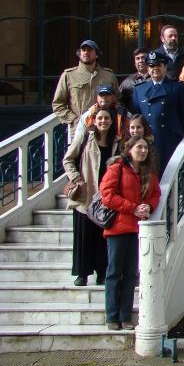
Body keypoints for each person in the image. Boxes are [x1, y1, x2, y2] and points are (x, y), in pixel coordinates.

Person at [100, 137, 161, 331]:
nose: (142, 151)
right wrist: (133, 208)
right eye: (139, 147)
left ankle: (125, 316)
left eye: (145, 147)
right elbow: (107, 195)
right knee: (114, 273)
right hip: (118, 227)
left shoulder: (149, 174)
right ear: (129, 149)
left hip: (137, 228)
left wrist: (148, 207)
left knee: (130, 274)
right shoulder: (117, 168)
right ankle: (112, 316)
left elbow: (155, 194)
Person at [62, 108, 120, 287]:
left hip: (106, 196)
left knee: (102, 236)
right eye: (100, 118)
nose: (103, 121)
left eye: (107, 118)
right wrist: (76, 178)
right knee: (83, 236)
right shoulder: (85, 138)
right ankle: (82, 273)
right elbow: (67, 160)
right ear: (94, 121)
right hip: (87, 195)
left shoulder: (117, 142)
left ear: (112, 121)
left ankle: (102, 272)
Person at [130, 51, 184, 175]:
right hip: (147, 143)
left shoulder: (177, 88)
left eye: (159, 65)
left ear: (165, 67)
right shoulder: (139, 90)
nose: (155, 69)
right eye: (152, 66)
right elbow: (136, 115)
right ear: (147, 68)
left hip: (169, 141)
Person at [52, 39, 118, 142]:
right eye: (83, 50)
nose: (86, 53)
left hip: (105, 129)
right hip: (80, 130)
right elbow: (58, 104)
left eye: (90, 50)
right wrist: (74, 119)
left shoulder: (109, 76)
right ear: (79, 54)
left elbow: (117, 100)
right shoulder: (69, 76)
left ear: (96, 55)